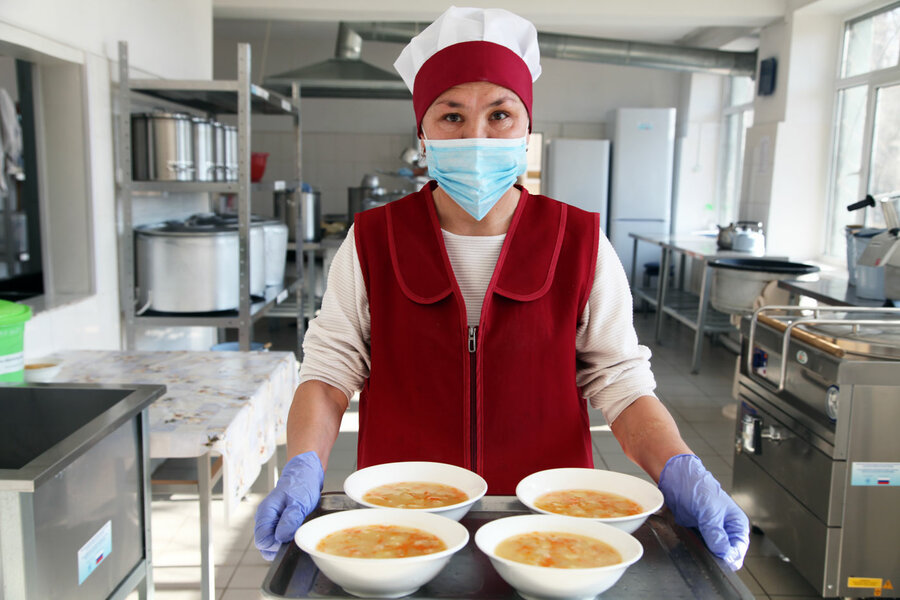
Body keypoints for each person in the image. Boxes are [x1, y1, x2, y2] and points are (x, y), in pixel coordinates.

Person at [254, 6, 749, 570]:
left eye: (499, 114)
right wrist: (302, 466)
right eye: (451, 117)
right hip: (401, 527)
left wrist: (680, 465)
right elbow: (327, 374)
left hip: (551, 529)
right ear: (422, 131)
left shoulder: (579, 241)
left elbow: (621, 383)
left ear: (526, 127)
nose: (477, 137)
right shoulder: (373, 240)